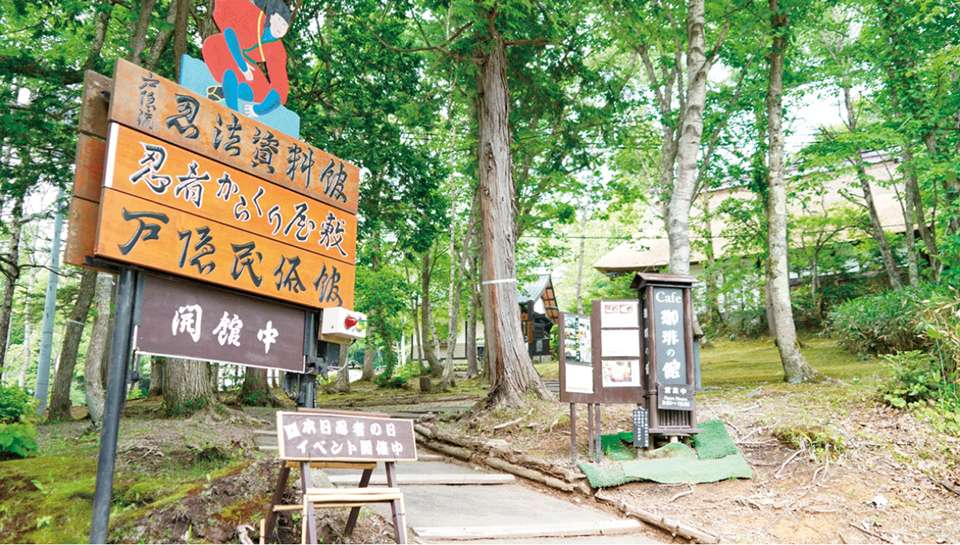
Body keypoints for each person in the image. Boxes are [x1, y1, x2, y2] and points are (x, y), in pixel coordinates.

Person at [202, 0, 291, 117]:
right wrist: (242, 65)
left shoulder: (278, 50)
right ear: (271, 16)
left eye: (284, 25)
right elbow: (229, 30)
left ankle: (229, 91)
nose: (280, 27)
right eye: (279, 20)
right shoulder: (254, 15)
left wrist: (259, 109)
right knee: (230, 72)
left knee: (263, 93)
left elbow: (280, 85)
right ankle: (232, 113)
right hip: (223, 47)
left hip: (247, 64)